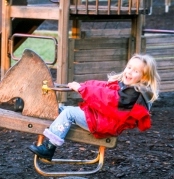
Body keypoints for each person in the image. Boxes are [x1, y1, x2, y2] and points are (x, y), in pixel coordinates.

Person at [29, 54, 160, 161]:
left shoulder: (133, 93)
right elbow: (102, 86)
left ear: (145, 77)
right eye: (129, 67)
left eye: (136, 71)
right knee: (62, 110)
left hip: (105, 124)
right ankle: (35, 111)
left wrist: (82, 89)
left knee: (69, 113)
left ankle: (49, 148)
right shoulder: (124, 86)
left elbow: (107, 98)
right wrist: (82, 85)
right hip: (101, 118)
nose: (130, 72)